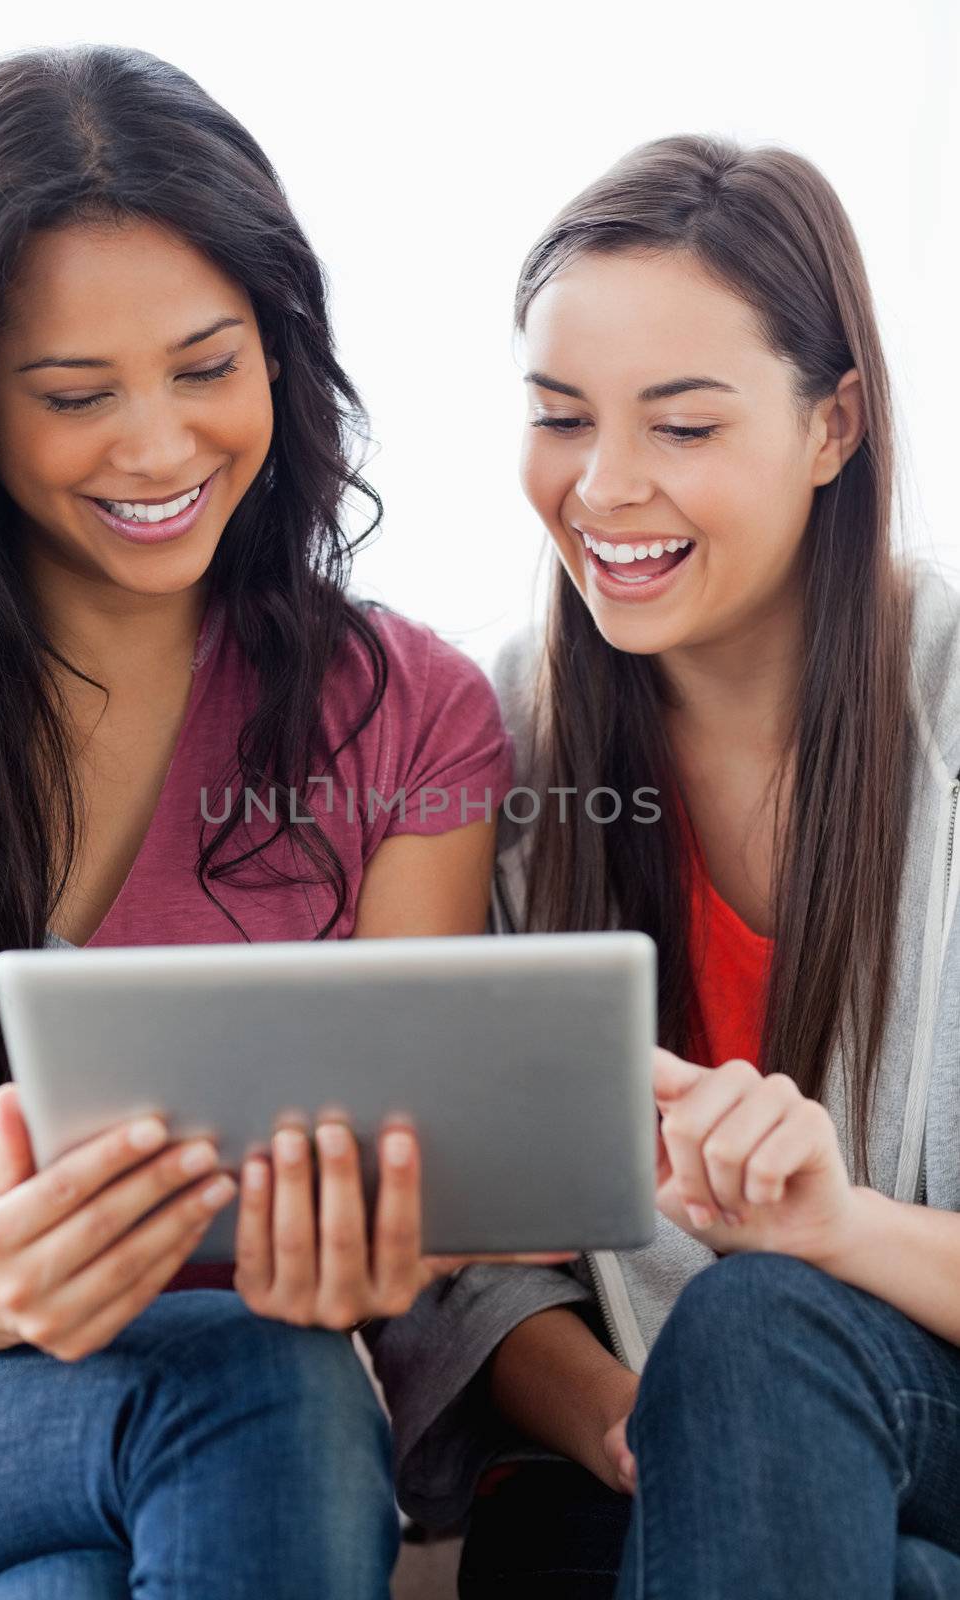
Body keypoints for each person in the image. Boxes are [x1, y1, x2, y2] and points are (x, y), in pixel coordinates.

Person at [0, 43, 535, 1599]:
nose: (161, 447)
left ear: (280, 352)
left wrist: (406, 1241)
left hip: (222, 1456)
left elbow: (426, 1160)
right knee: (263, 1383)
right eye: (74, 395)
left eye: (207, 365)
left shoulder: (409, 711)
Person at [365, 135, 960, 1599]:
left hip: (923, 1399)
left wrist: (836, 1231)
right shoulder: (491, 750)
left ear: (835, 427)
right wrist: (640, 1418)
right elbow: (478, 1264)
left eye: (683, 429)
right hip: (638, 1473)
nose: (604, 487)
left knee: (758, 1326)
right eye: (561, 417)